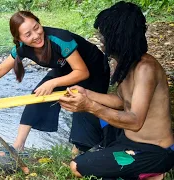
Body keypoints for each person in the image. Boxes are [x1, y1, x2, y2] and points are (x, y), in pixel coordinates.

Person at [0, 10, 114, 155]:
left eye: (36, 28)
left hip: (94, 70)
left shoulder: (60, 39)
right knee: (37, 96)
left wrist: (53, 83)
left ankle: (79, 152)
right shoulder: (21, 48)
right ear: (19, 39)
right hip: (65, 68)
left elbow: (82, 72)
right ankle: (18, 147)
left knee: (83, 107)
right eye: (28, 34)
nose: (36, 35)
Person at [59, 1, 174, 179]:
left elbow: (135, 122)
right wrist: (86, 93)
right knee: (92, 117)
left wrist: (89, 105)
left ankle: (150, 172)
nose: (100, 40)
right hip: (128, 139)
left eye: (103, 36)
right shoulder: (122, 62)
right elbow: (122, 102)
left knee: (77, 165)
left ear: (118, 38)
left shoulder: (146, 68)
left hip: (155, 150)